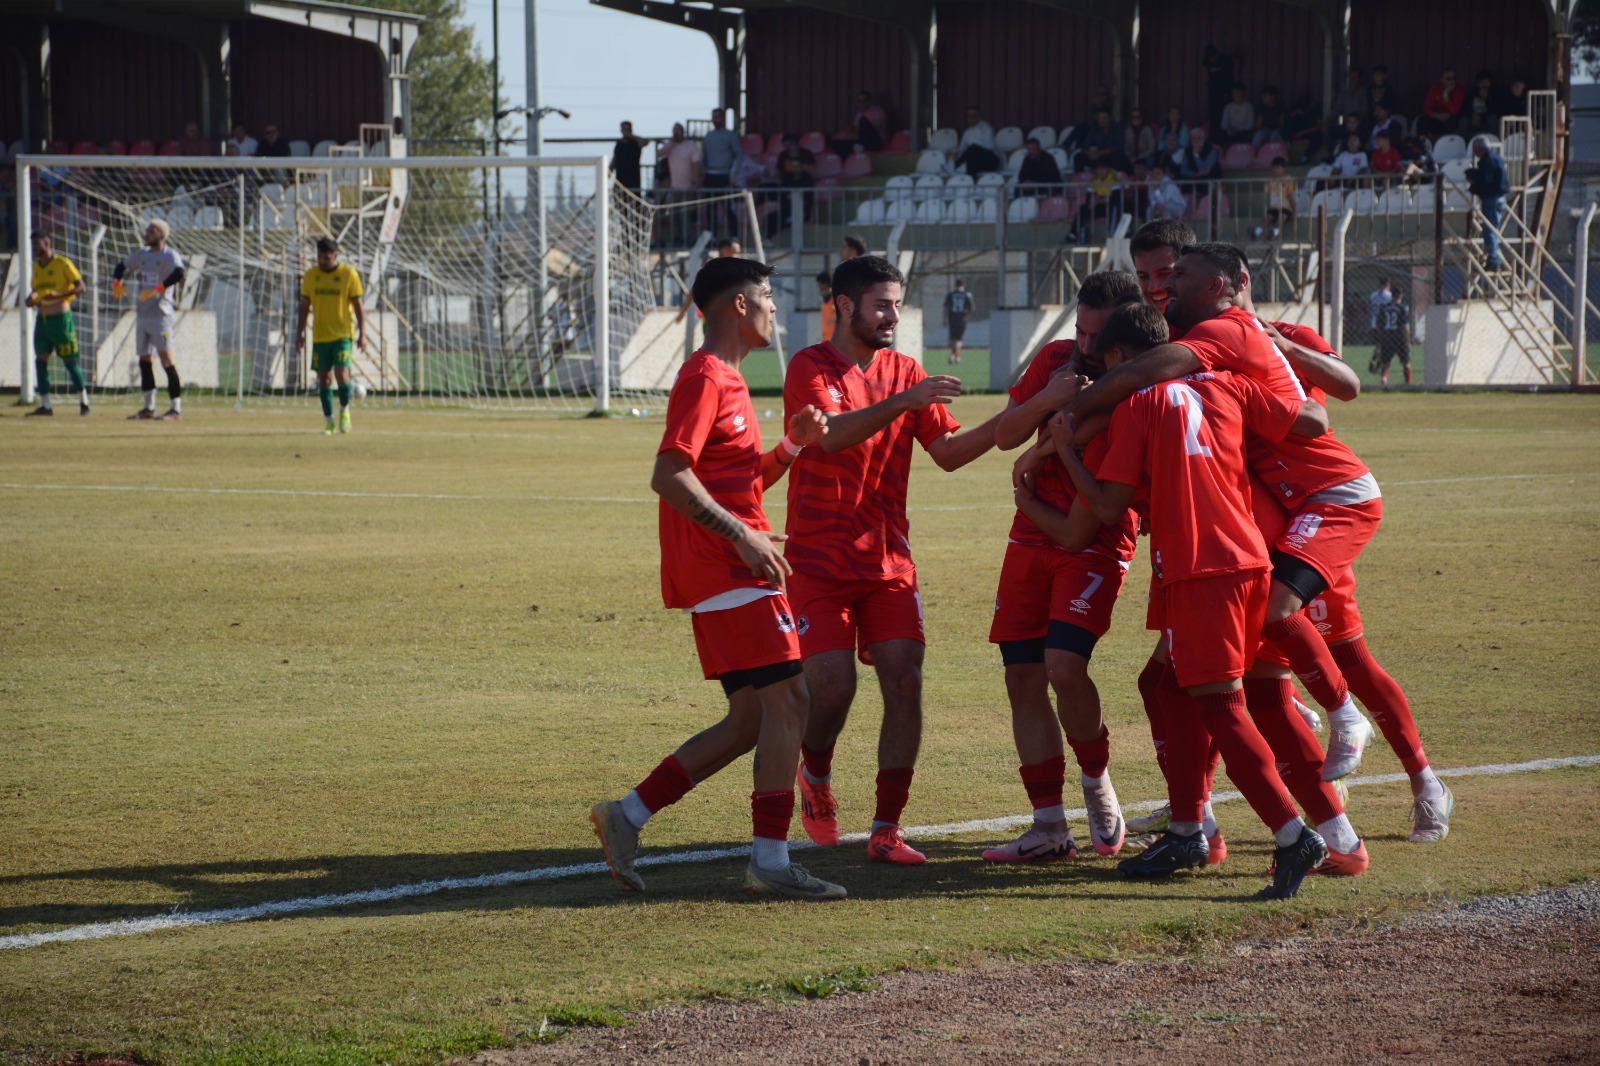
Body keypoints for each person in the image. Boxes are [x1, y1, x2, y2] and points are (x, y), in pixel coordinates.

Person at [1055, 299, 1335, 899]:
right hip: (1250, 558)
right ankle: (1186, 830)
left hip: (1200, 571)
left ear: (1128, 359)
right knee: (1163, 685)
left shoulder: (1138, 404)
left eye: (1107, 366)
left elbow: (1107, 508)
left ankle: (1294, 836)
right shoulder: (1232, 386)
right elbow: (1307, 418)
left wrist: (1065, 450)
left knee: (1222, 708)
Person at [589, 257, 842, 900]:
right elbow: (669, 474)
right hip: (726, 568)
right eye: (766, 295)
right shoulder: (705, 377)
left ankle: (628, 814)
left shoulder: (728, 379)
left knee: (752, 719)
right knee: (793, 700)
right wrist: (742, 535)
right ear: (737, 304)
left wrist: (790, 448)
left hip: (734, 566)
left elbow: (738, 481)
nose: (774, 308)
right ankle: (772, 862)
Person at [783, 256, 1000, 865]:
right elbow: (832, 434)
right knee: (832, 690)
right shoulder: (811, 367)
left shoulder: (906, 369)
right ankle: (816, 777)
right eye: (882, 304)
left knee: (904, 679)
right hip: (818, 563)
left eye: (897, 304)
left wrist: (1028, 415)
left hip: (888, 564)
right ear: (845, 305)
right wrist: (907, 399)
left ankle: (885, 828)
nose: (893, 316)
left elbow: (950, 452)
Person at [984, 270, 1144, 864]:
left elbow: (1083, 518)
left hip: (1094, 537)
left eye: (1096, 335)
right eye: (1079, 329)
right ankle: (1048, 827)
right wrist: (1048, 400)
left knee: (1063, 665)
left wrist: (1045, 448)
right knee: (1022, 676)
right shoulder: (1056, 358)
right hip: (1029, 538)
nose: (1083, 344)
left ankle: (1097, 780)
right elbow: (1003, 434)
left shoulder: (1136, 375)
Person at [114, 219, 187, 420]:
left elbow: (180, 272)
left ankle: (175, 409)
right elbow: (121, 266)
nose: (147, 233)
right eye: (147, 230)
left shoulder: (169, 255)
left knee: (167, 360)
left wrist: (158, 289)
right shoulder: (143, 255)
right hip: (143, 315)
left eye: (151, 230)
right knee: (144, 360)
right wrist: (116, 285)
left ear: (161, 235)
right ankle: (149, 408)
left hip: (161, 316)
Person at [295, 237, 367, 435]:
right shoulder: (311, 276)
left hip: (343, 335)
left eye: (327, 257)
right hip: (320, 336)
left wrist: (363, 334)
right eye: (319, 257)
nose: (323, 261)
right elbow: (304, 306)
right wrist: (299, 333)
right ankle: (329, 422)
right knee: (324, 379)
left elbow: (359, 306)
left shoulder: (348, 274)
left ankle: (344, 411)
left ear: (336, 256)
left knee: (342, 374)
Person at [24, 232, 89, 417]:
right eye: (33, 245)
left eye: (37, 244)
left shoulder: (63, 263)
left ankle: (84, 403)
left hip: (61, 320)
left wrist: (59, 295)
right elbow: (37, 290)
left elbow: (81, 287)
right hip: (42, 321)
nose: (35, 248)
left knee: (70, 362)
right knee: (40, 361)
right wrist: (32, 298)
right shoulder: (35, 267)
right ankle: (46, 405)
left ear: (47, 243)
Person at [1466, 135, 1510, 270]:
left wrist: (1474, 186)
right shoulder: (1496, 158)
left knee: (1489, 230)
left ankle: (1493, 261)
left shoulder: (1487, 161)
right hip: (1500, 197)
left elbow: (1485, 181)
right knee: (1493, 229)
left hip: (1491, 198)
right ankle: (1494, 257)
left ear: (1479, 149)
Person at [1371, 296, 1413, 385]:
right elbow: (1405, 326)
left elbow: (1379, 324)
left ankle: (1383, 379)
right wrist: (1408, 339)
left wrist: (1380, 337)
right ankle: (1408, 383)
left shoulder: (1384, 308)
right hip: (1400, 338)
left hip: (1387, 337)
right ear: (1400, 296)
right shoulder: (1402, 308)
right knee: (1406, 362)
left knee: (1385, 363)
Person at [1076, 108, 1130, 174]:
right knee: (1078, 157)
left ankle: (1116, 179)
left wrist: (1099, 153)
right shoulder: (1095, 128)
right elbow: (1084, 146)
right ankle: (1081, 179)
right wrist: (1090, 153)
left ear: (1110, 118)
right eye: (1100, 118)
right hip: (1099, 157)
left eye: (1105, 117)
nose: (1102, 120)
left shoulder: (1117, 128)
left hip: (1111, 156)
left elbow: (1118, 147)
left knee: (1119, 158)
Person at [701, 108, 743, 191]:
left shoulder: (731, 135)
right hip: (710, 175)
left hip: (725, 174)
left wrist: (735, 173)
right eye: (713, 117)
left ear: (723, 118)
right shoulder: (708, 136)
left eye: (717, 117)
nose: (715, 119)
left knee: (726, 202)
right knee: (710, 202)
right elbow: (704, 157)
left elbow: (739, 155)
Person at [952, 106, 1000, 176]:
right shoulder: (967, 133)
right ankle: (972, 184)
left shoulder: (986, 128)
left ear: (979, 116)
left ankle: (954, 165)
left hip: (990, 160)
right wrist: (956, 153)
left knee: (973, 148)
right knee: (971, 159)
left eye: (973, 116)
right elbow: (962, 148)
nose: (970, 118)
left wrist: (976, 148)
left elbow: (991, 146)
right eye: (968, 116)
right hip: (975, 161)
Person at [1419, 68, 1464, 139]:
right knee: (1422, 121)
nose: (1452, 81)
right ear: (1442, 79)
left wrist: (1445, 95)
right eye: (1449, 79)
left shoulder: (1459, 90)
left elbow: (1454, 110)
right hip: (1437, 117)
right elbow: (1426, 108)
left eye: (1454, 78)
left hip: (1450, 118)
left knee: (1454, 121)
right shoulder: (1435, 89)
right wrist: (1437, 116)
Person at [1255, 157, 1295, 238]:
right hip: (1274, 206)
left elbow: (1290, 194)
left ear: (1283, 168)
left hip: (1285, 206)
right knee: (1268, 218)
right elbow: (1268, 194)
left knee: (1281, 218)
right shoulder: (1270, 180)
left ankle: (1275, 232)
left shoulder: (1288, 179)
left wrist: (1294, 209)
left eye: (1278, 168)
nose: (1275, 170)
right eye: (1274, 168)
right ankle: (1256, 232)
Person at [1203, 45, 1235, 134]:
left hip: (1225, 89)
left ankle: (1224, 133)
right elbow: (1206, 70)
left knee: (1224, 112)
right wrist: (1208, 81)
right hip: (1213, 89)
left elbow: (1231, 76)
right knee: (1213, 113)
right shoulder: (1206, 60)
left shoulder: (1225, 60)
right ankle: (1214, 134)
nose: (1211, 60)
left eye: (1212, 57)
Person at [609, 121, 647, 194]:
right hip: (620, 179)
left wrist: (630, 136)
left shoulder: (635, 143)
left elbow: (645, 142)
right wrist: (608, 174)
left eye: (628, 130)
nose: (626, 132)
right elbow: (614, 160)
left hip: (633, 180)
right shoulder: (619, 144)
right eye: (624, 130)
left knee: (634, 201)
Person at [943, 278, 973, 365]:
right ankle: (954, 355)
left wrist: (945, 319)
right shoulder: (967, 294)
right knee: (959, 340)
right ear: (963, 286)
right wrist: (965, 314)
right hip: (962, 319)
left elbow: (946, 308)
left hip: (952, 319)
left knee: (953, 339)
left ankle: (955, 356)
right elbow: (971, 308)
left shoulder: (950, 295)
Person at [816, 271, 836, 342]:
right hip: (825, 337)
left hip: (835, 338)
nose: (818, 286)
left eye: (820, 283)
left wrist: (835, 316)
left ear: (826, 284)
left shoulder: (835, 297)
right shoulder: (824, 299)